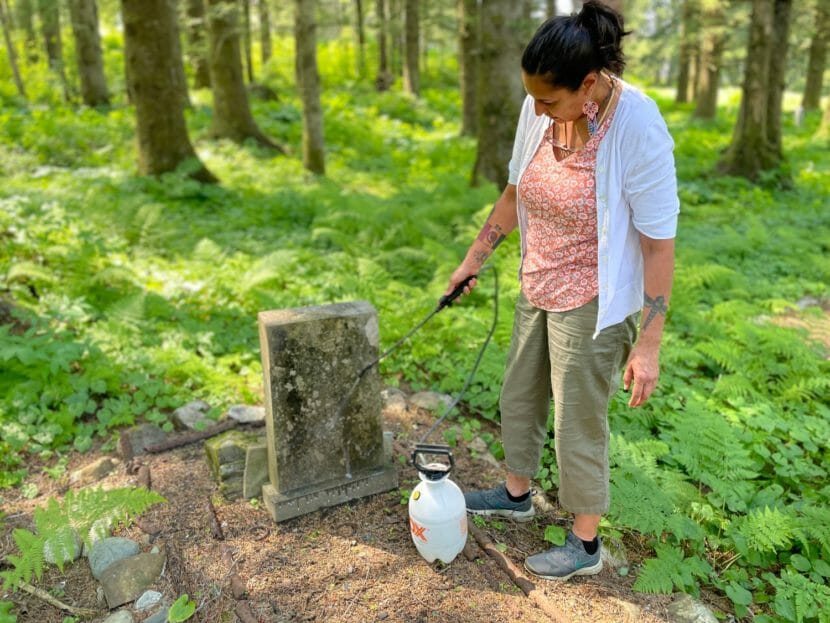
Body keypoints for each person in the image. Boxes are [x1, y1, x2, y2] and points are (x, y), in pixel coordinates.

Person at [445, 1, 678, 581]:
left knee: (578, 418)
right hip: (538, 280)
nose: (540, 110)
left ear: (590, 84)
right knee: (518, 396)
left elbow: (658, 244)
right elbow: (513, 194)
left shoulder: (638, 125)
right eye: (534, 98)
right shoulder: (539, 107)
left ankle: (584, 543)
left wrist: (648, 346)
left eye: (551, 100)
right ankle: (517, 494)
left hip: (597, 297)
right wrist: (472, 260)